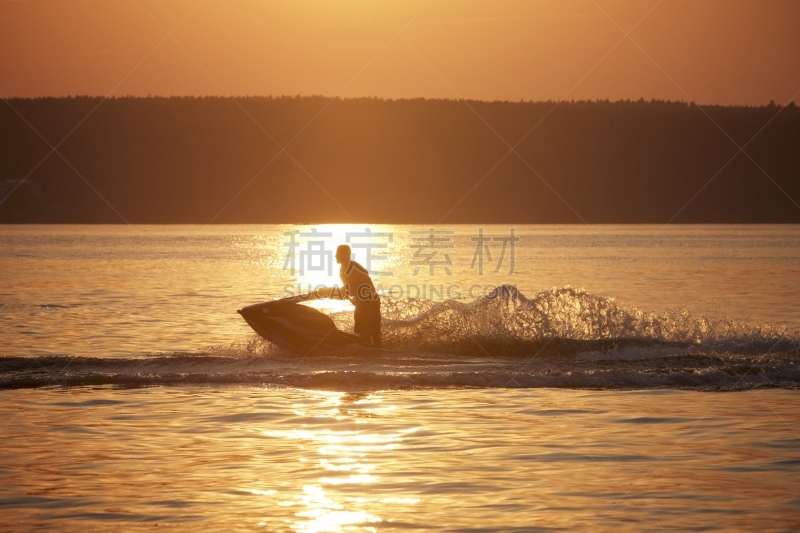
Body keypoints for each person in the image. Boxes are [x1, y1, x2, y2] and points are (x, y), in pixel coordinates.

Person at [335, 244, 382, 347]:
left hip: (367, 302)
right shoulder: (352, 266)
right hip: (368, 301)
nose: (335, 256)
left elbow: (348, 289)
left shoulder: (347, 268)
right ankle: (375, 354)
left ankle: (377, 354)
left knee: (371, 333)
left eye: (337, 253)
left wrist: (326, 293)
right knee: (370, 333)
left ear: (344, 255)